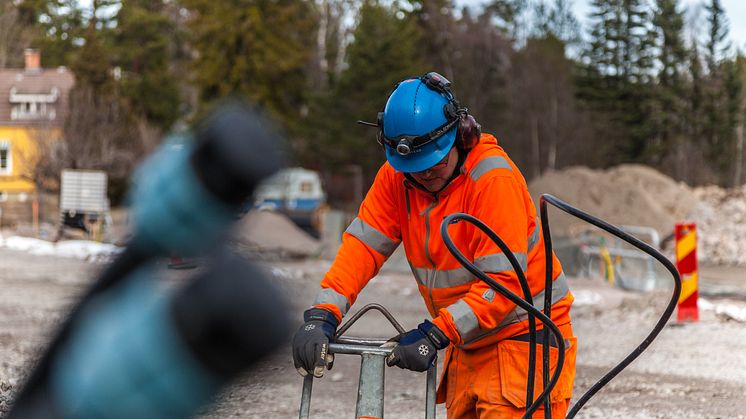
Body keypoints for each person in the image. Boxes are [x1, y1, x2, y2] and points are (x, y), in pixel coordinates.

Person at [292, 72, 577, 418]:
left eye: (434, 163)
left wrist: (437, 332)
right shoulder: (399, 177)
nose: (425, 175)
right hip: (470, 340)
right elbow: (363, 246)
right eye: (414, 168)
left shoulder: (492, 181)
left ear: (461, 134)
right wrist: (323, 313)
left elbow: (502, 286)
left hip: (523, 341)